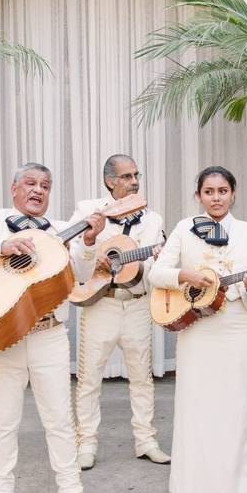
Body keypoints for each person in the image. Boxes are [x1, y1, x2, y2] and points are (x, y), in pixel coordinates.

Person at [0, 162, 104, 493]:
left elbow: (82, 276)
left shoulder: (58, 232)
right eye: (31, 183)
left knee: (59, 419)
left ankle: (71, 490)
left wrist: (88, 241)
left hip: (49, 334)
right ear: (14, 188)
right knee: (3, 420)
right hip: (6, 334)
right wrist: (1, 245)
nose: (38, 190)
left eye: (46, 185)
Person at [149, 166, 247, 493]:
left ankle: (239, 484)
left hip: (236, 327)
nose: (216, 197)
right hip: (197, 328)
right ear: (198, 195)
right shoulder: (185, 229)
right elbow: (156, 273)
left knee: (236, 405)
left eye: (223, 191)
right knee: (196, 404)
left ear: (233, 193)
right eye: (209, 191)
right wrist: (183, 274)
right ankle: (192, 483)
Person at [69, 154, 169, 471]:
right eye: (127, 176)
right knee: (88, 379)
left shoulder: (152, 219)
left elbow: (157, 264)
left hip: (137, 302)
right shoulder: (88, 211)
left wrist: (146, 260)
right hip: (101, 302)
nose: (135, 181)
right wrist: (88, 242)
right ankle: (86, 443)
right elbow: (78, 266)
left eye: (136, 175)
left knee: (142, 378)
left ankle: (146, 440)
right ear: (110, 181)